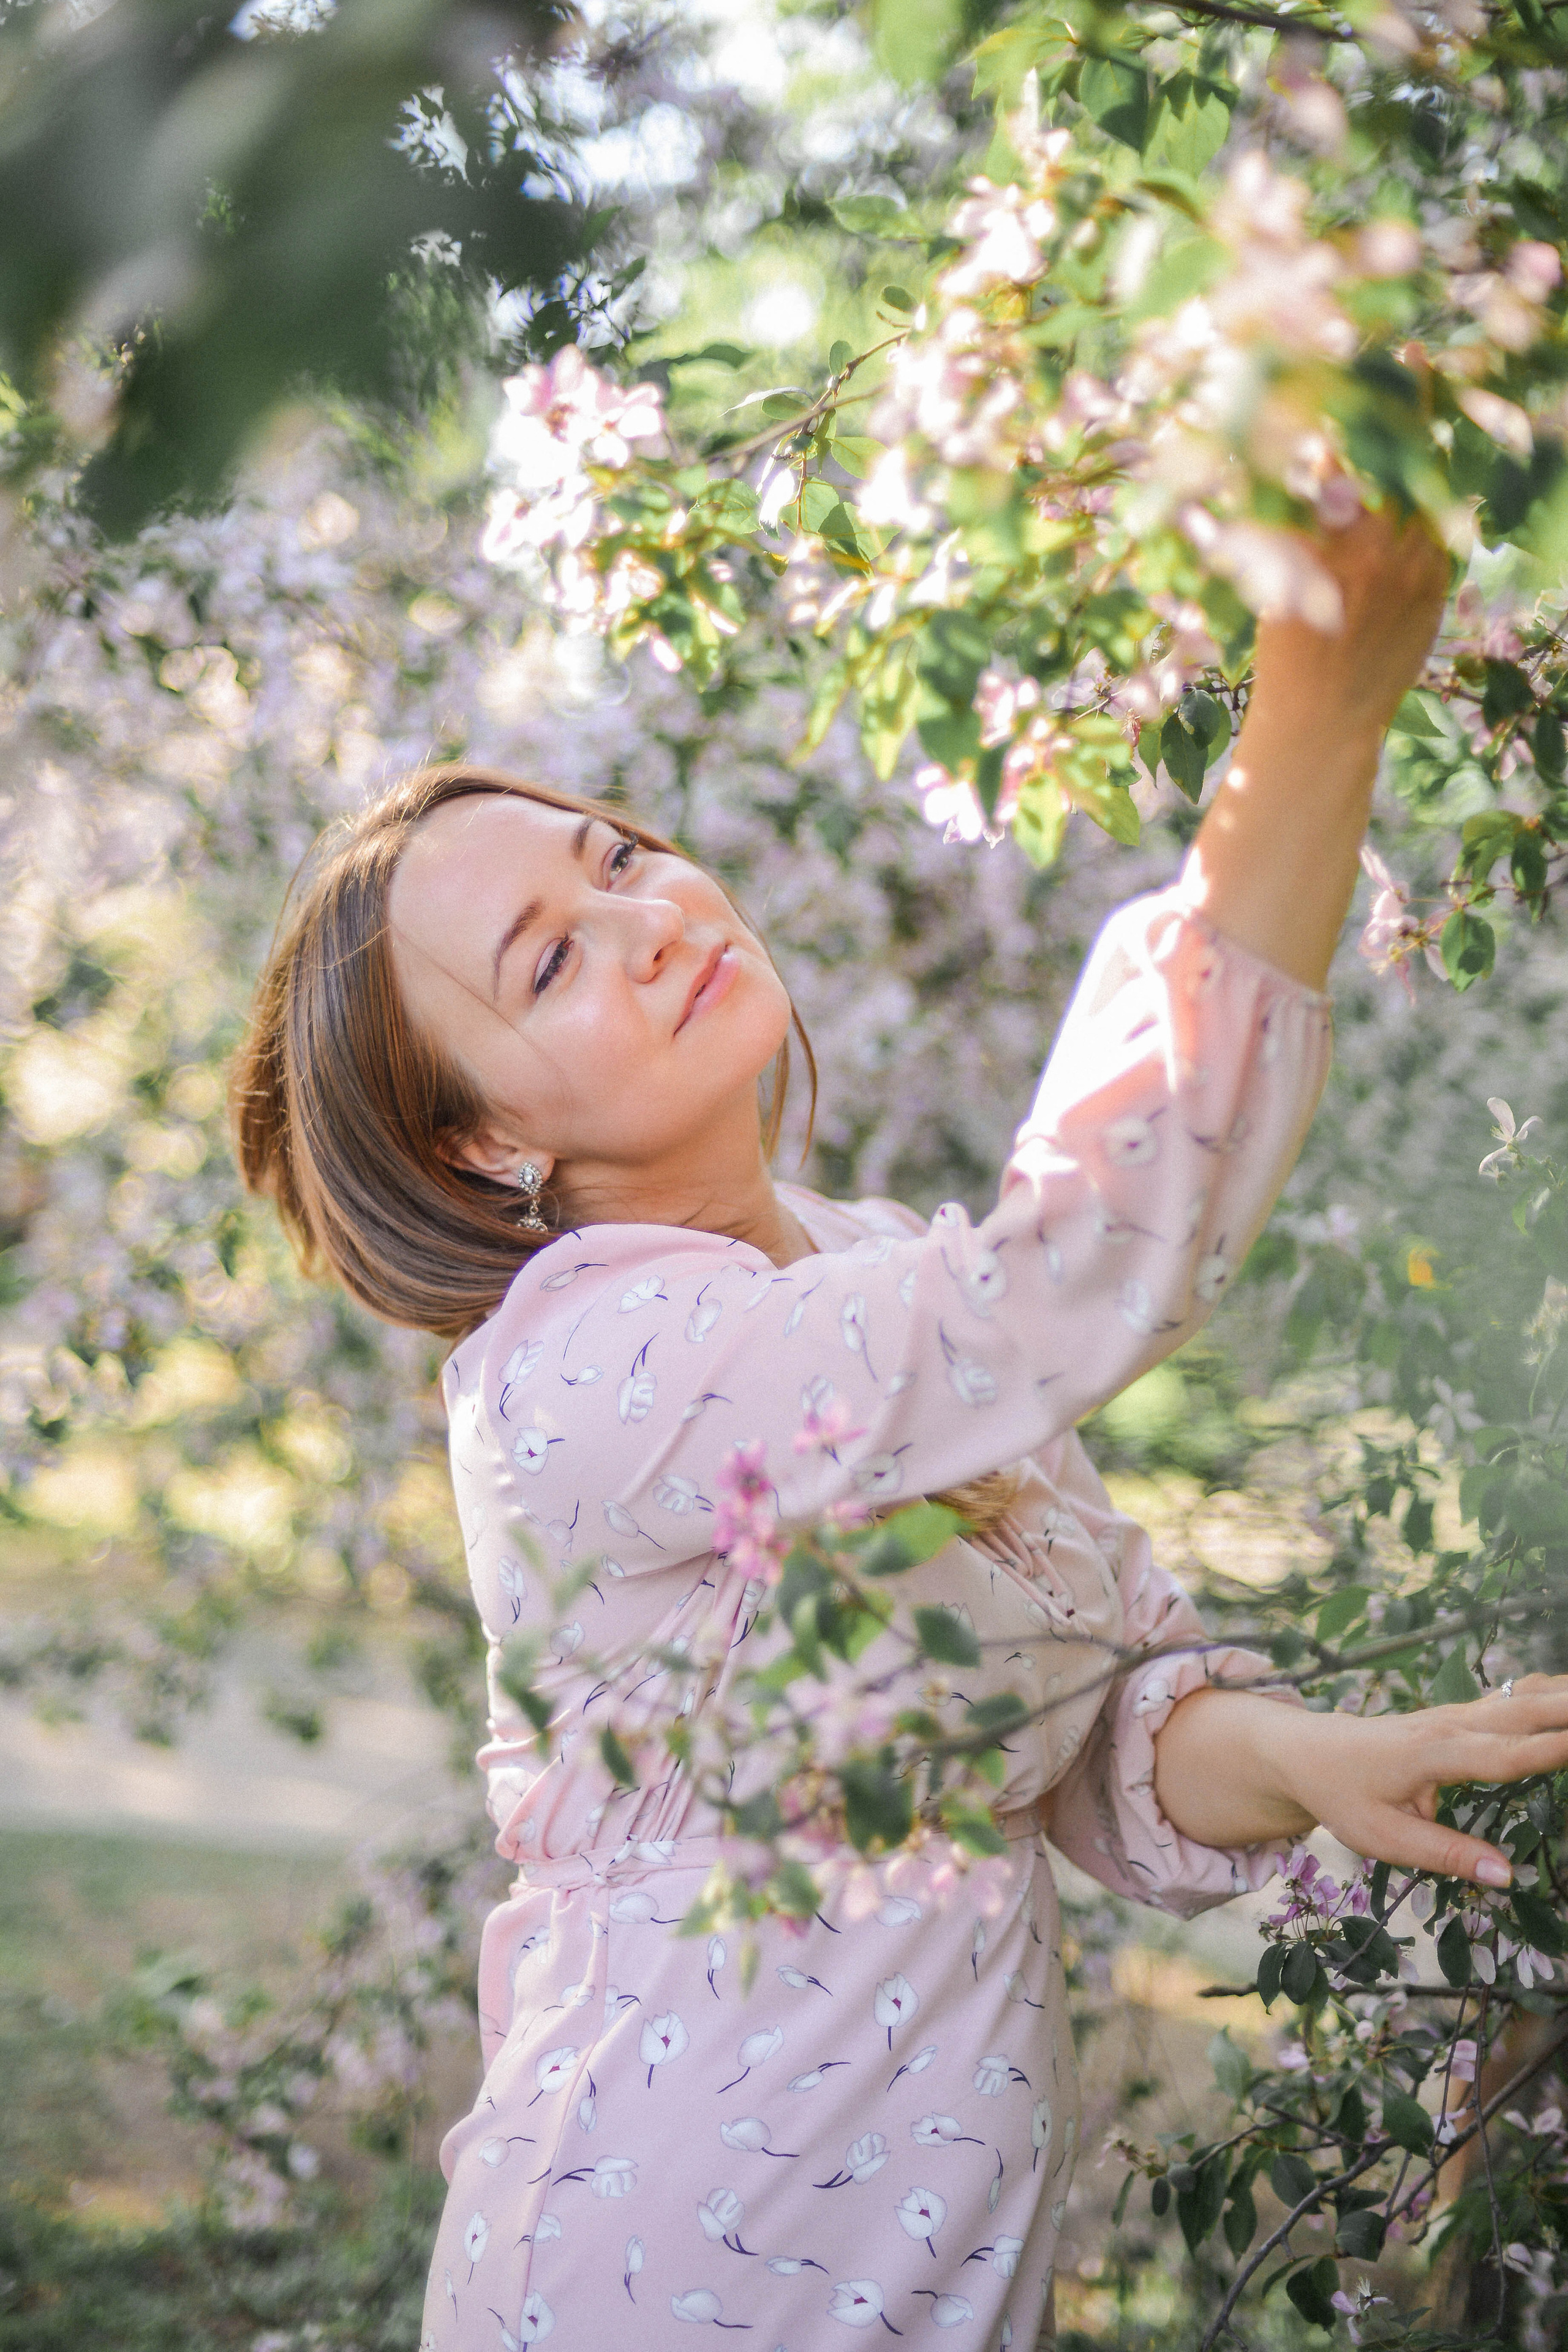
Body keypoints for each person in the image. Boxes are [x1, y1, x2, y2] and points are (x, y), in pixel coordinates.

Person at [234, 505, 1568, 2351]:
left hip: (939, 2277)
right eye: (548, 961)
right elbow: (1079, 1271)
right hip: (671, 2281)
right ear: (480, 1142)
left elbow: (1091, 1733)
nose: (648, 916)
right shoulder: (583, 1382)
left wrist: (1315, 1755)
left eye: (618, 855)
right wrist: (1311, 718)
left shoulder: (859, 1270)